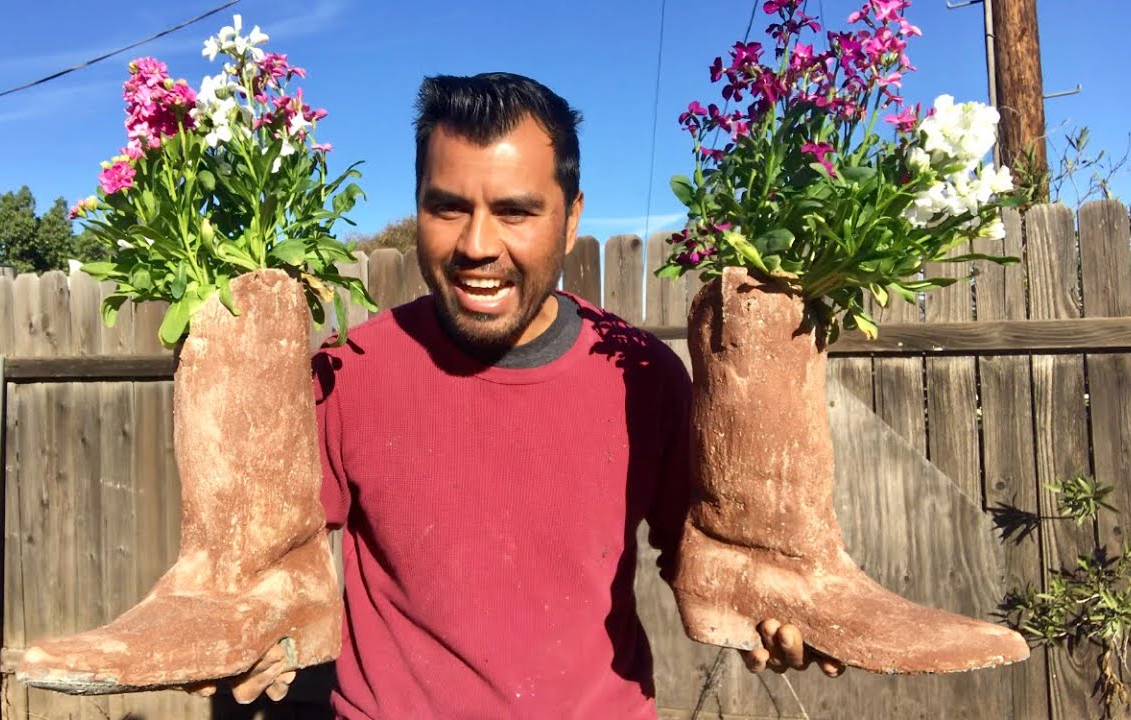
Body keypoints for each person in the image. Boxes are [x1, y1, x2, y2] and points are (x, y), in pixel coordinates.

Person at [208, 72, 842, 717]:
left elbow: (704, 550)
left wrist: (764, 607)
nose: (477, 245)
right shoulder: (347, 374)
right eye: (447, 207)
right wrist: (253, 631)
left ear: (570, 220)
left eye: (515, 211)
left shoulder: (643, 375)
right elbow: (275, 556)